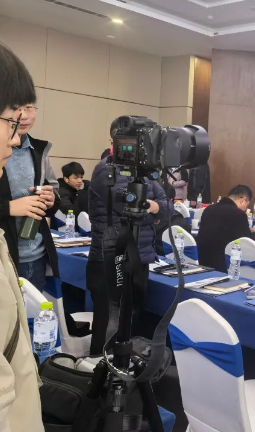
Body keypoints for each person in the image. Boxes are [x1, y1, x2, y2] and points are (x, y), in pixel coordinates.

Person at [0, 40, 44, 431]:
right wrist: (11, 208)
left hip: (30, 248)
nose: (14, 137)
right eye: (11, 118)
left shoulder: (38, 151)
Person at [86, 120, 170, 354]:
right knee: (111, 324)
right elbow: (130, 209)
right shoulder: (106, 169)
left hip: (139, 258)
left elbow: (167, 208)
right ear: (114, 141)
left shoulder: (146, 173)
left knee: (132, 320)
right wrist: (152, 208)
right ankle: (102, 367)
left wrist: (153, 207)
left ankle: (125, 368)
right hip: (111, 257)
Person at [0, 93, 60, 293]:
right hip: (2, 254)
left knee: (35, 309)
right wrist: (8, 207)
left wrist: (51, 199)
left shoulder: (38, 150)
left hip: (36, 253)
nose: (24, 115)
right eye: (17, 108)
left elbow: (54, 192)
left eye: (29, 108)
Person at [196, 184, 255, 271]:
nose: (245, 209)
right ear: (243, 200)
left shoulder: (208, 209)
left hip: (202, 263)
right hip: (224, 267)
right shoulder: (238, 214)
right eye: (247, 205)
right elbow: (247, 246)